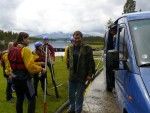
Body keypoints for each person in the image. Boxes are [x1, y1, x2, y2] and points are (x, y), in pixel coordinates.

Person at [8, 32, 46, 113]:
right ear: (23, 39)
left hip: (15, 78)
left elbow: (10, 64)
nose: (29, 40)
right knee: (32, 98)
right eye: (28, 38)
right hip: (25, 78)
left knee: (20, 98)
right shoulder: (25, 49)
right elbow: (30, 67)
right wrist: (41, 69)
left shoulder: (12, 49)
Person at [66, 31, 95, 113]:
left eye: (78, 38)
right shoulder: (70, 47)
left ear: (81, 38)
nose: (77, 40)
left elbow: (90, 62)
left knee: (79, 95)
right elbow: (68, 59)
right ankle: (72, 109)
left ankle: (78, 110)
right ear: (73, 38)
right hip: (72, 75)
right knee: (71, 95)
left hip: (82, 75)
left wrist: (90, 74)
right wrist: (68, 65)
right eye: (75, 38)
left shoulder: (87, 47)